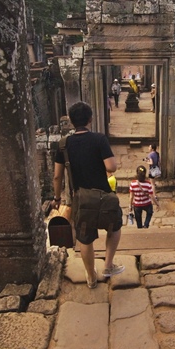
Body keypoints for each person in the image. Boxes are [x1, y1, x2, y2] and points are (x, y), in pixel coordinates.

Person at [52, 102, 124, 289]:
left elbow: (57, 176)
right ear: (90, 119)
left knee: (84, 237)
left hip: (80, 199)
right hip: (103, 195)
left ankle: (91, 277)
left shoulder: (63, 145)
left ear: (71, 120)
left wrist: (57, 199)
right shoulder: (99, 139)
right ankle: (108, 265)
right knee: (114, 227)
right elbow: (111, 167)